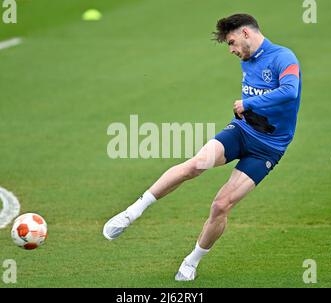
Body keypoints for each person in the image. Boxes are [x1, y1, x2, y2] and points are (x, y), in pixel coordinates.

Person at [103, 13, 302, 281]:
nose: (231, 50)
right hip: (242, 132)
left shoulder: (283, 57)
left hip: (268, 148)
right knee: (196, 164)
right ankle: (130, 213)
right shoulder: (247, 59)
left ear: (246, 33)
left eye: (231, 42)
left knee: (221, 205)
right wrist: (248, 111)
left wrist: (249, 104)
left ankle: (191, 262)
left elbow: (290, 91)